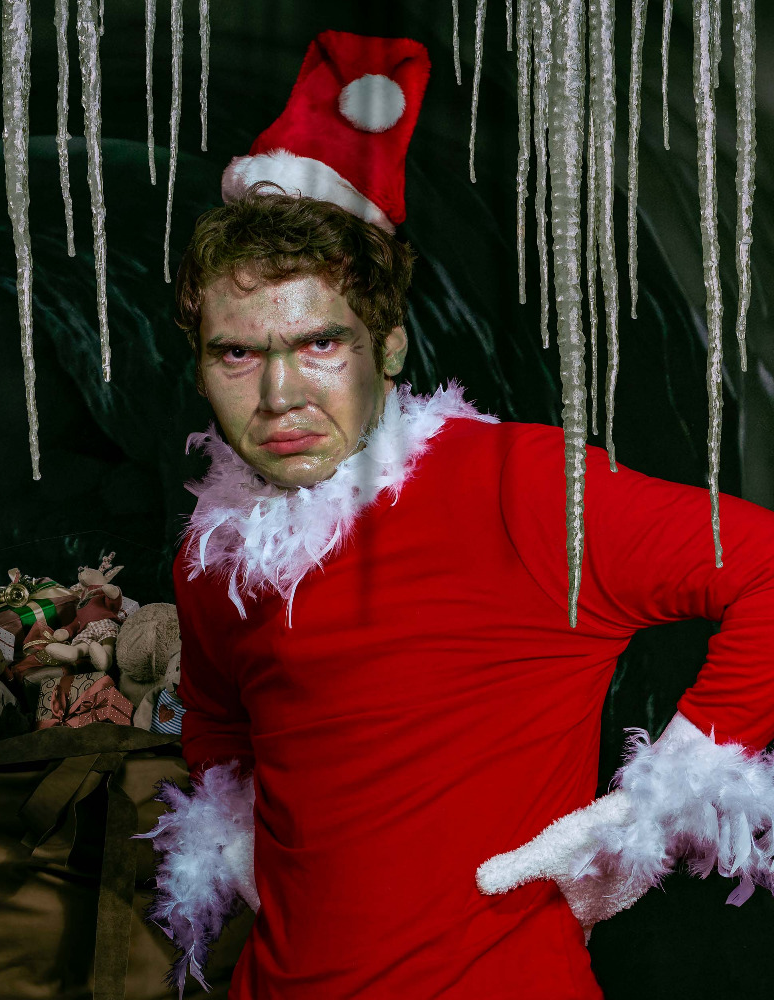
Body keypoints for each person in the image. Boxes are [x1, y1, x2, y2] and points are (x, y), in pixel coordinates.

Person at [142, 29, 774, 1000]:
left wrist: (653, 808)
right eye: (237, 353)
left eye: (319, 344)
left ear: (388, 345)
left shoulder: (519, 488)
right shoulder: (217, 551)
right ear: (200, 364)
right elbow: (220, 719)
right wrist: (236, 842)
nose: (278, 395)